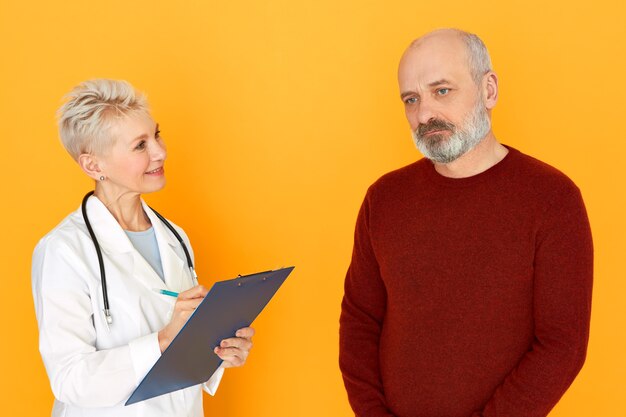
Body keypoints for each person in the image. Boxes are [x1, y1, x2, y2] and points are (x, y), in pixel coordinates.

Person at [339, 29, 593, 417]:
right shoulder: (384, 199)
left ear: (488, 90)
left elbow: (562, 345)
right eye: (412, 99)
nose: (424, 114)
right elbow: (359, 322)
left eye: (442, 91)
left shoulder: (552, 199)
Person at [32, 79, 254, 416]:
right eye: (140, 145)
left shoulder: (175, 237)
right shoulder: (63, 251)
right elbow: (70, 379)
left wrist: (220, 349)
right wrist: (163, 339)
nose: (160, 152)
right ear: (94, 166)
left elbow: (181, 353)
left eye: (157, 135)